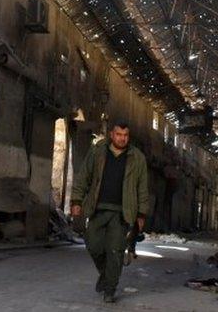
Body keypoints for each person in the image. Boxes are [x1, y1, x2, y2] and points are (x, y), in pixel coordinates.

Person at [70, 123, 149, 303]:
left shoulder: (137, 158)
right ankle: (106, 275)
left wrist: (142, 214)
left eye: (126, 135)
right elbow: (84, 177)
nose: (122, 138)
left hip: (123, 212)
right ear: (111, 134)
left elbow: (142, 188)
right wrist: (76, 200)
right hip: (98, 208)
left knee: (115, 250)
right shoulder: (98, 151)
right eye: (119, 134)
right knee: (93, 244)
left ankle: (110, 289)